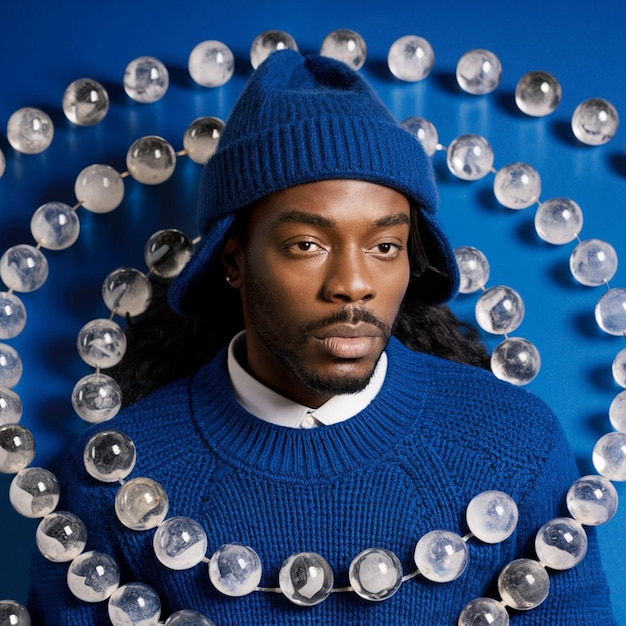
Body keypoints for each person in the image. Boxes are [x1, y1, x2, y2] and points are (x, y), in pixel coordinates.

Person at [29, 50, 615, 625]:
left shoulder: (516, 443)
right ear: (232, 261)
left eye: (385, 247)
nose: (354, 285)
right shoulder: (114, 481)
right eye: (307, 245)